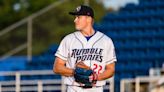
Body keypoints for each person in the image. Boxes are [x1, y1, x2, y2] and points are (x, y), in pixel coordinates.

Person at [53, 5, 117, 92]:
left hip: (96, 89)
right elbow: (57, 67)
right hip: (74, 89)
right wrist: (75, 72)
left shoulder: (105, 40)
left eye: (78, 17)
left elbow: (111, 69)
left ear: (88, 19)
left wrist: (96, 77)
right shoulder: (68, 39)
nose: (75, 20)